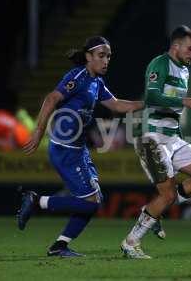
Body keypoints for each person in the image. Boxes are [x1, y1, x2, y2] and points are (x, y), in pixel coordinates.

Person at [17, 36, 144, 257]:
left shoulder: (97, 82)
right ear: (88, 57)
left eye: (109, 56)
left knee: (95, 200)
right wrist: (38, 131)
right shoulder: (78, 76)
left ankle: (60, 245)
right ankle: (37, 201)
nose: (106, 61)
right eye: (101, 56)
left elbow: (117, 105)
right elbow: (51, 99)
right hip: (65, 149)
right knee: (91, 203)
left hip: (79, 149)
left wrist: (150, 102)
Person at [120, 25, 191, 259]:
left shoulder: (184, 70)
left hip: (173, 138)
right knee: (168, 195)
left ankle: (153, 213)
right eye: (190, 48)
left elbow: (170, 111)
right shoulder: (160, 63)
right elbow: (151, 96)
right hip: (152, 138)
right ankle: (130, 243)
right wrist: (184, 101)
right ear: (176, 46)